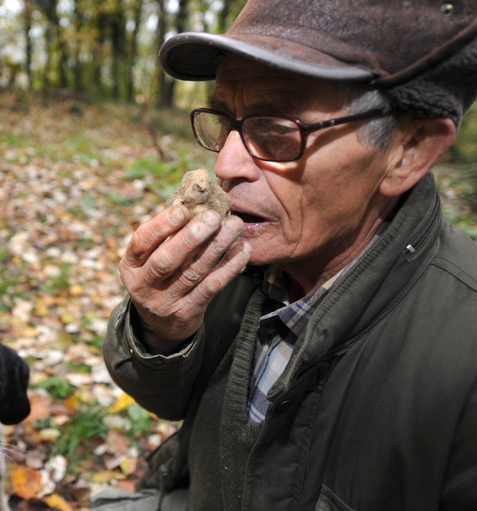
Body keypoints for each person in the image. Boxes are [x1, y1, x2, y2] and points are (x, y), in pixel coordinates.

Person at [93, 1, 477, 510]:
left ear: (408, 149)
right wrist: (160, 331)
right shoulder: (237, 257)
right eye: (224, 120)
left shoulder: (462, 366)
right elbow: (167, 401)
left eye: (276, 128)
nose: (226, 165)